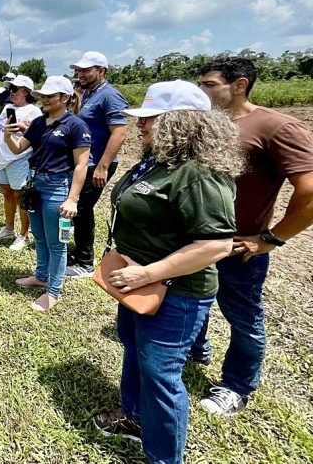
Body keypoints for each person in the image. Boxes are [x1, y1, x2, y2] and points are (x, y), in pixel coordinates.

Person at [91, 80, 245, 464]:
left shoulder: (198, 174)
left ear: (180, 123)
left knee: (161, 375)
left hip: (175, 294)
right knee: (135, 351)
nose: (140, 126)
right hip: (137, 283)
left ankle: (164, 457)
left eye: (150, 119)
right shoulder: (159, 162)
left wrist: (148, 274)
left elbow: (215, 245)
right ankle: (135, 418)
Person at [188, 57, 313, 416]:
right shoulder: (208, 123)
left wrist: (269, 239)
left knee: (243, 316)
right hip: (196, 239)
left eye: (210, 84)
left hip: (239, 246)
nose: (202, 91)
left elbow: (309, 192)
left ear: (240, 84)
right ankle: (196, 349)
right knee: (195, 300)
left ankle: (237, 385)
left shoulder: (277, 127)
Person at [3, 76, 90, 311]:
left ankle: (53, 291)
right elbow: (19, 148)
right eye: (43, 95)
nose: (45, 99)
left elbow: (81, 165)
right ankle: (41, 276)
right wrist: (7, 135)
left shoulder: (76, 126)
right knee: (39, 237)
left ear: (65, 98)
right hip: (35, 185)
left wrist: (72, 199)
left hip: (57, 187)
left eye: (50, 96)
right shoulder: (40, 122)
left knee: (57, 244)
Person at [65, 51, 129, 278]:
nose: (79, 74)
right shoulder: (89, 94)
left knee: (82, 209)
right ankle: (78, 252)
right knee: (78, 210)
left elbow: (120, 133)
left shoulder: (110, 96)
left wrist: (102, 166)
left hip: (97, 163)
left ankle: (85, 261)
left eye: (85, 70)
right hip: (84, 161)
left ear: (101, 71)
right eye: (78, 70)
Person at [0, 75, 42, 251]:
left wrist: (24, 128)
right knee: (6, 192)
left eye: (14, 89)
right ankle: (9, 228)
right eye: (10, 89)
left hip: (19, 157)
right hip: (1, 157)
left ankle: (24, 234)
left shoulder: (34, 111)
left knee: (21, 196)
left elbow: (36, 136)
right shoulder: (8, 107)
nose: (11, 93)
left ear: (25, 91)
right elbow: (1, 128)